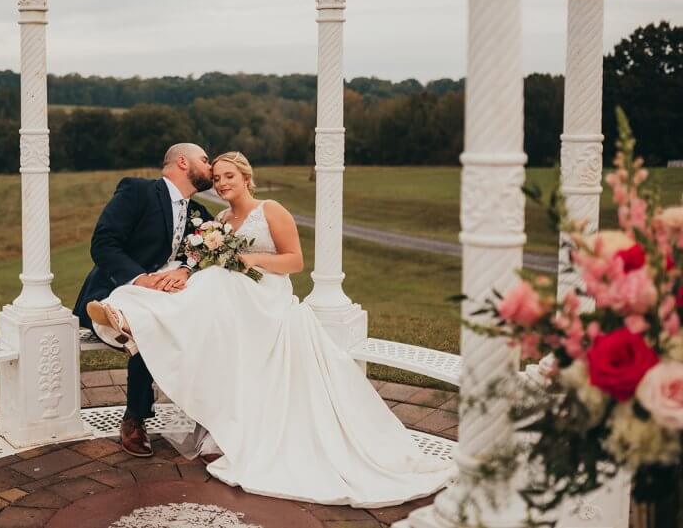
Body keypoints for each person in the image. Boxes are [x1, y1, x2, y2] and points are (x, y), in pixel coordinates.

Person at [86, 151, 455, 507]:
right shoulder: (218, 221)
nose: (221, 182)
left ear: (247, 178)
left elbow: (294, 261)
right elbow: (196, 261)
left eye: (228, 176)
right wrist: (192, 268)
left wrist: (242, 259)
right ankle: (128, 314)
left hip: (267, 292)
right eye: (216, 178)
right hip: (235, 296)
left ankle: (138, 318)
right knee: (199, 285)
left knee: (215, 282)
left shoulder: (271, 210)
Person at [73, 142, 215, 458]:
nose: (211, 168)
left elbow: (211, 253)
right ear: (182, 162)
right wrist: (142, 279)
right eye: (205, 160)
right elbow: (104, 244)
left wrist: (185, 271)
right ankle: (134, 417)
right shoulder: (138, 191)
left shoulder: (200, 214)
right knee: (153, 322)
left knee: (187, 318)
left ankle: (207, 412)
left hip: (169, 299)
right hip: (121, 287)